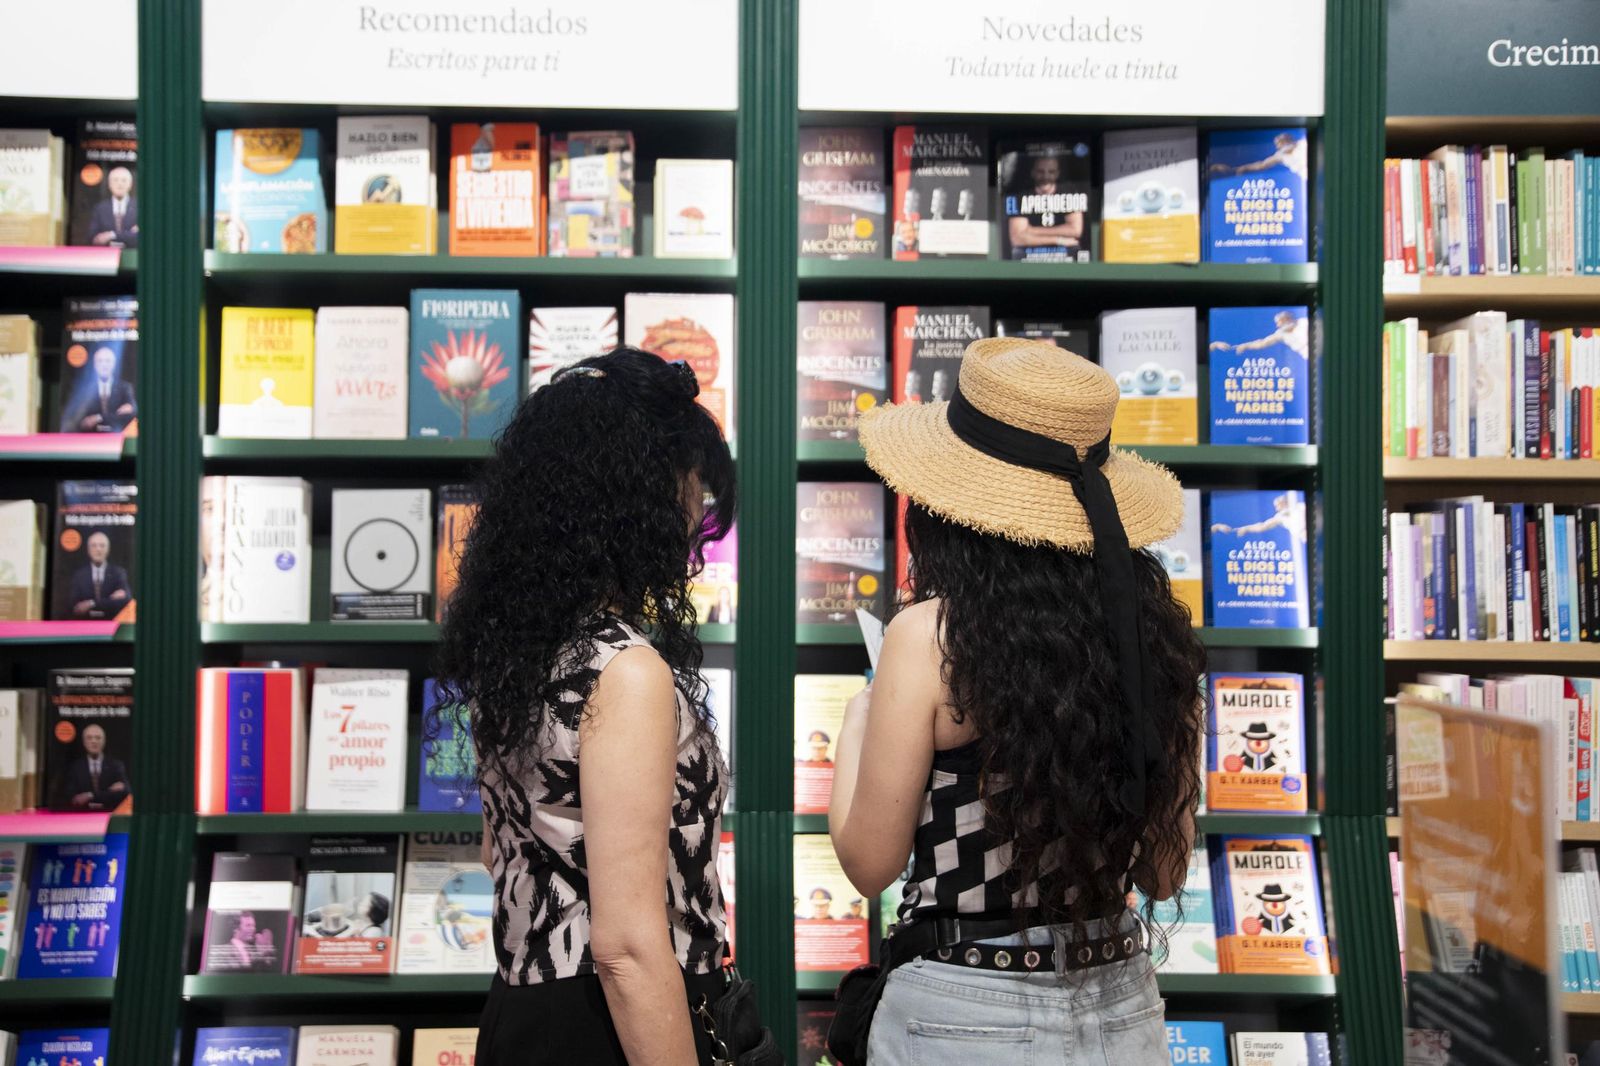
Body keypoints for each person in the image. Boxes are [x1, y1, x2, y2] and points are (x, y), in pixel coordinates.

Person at [832, 337, 1206, 1064]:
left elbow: (869, 864)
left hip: (963, 1003)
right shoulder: (1153, 640)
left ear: (945, 504)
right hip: (1120, 998)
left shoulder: (934, 636)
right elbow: (1165, 874)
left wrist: (857, 723)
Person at [435, 347, 736, 1066]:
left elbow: (496, 852)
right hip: (613, 1028)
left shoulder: (522, 655)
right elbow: (628, 949)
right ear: (639, 493)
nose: (695, 517)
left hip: (523, 1010)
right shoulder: (623, 670)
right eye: (692, 489)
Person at [1004, 152, 1085, 258]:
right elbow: (1017, 239)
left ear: (1057, 174)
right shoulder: (1021, 195)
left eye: (1051, 172)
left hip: (1064, 250)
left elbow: (1075, 230)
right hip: (1030, 252)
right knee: (1017, 252)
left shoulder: (1069, 193)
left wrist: (1031, 230)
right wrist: (1058, 240)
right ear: (1033, 173)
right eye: (1040, 171)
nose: (1046, 176)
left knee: (1076, 250)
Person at [57, 723, 130, 811]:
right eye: (89, 738)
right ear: (84, 742)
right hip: (82, 814)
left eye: (98, 738)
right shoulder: (75, 767)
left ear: (104, 741)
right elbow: (71, 797)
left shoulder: (116, 766)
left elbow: (125, 793)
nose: (94, 741)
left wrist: (90, 795)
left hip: (108, 813)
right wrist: (107, 794)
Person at [64, 346, 136, 433]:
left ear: (114, 364)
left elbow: (131, 413)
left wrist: (98, 418)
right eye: (100, 361)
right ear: (94, 364)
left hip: (116, 435)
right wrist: (114, 415)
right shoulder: (84, 390)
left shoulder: (125, 388)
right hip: (89, 437)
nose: (104, 365)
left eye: (107, 361)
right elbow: (77, 418)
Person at [66, 531, 132, 619]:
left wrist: (91, 603)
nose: (98, 549)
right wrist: (109, 601)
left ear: (108, 549)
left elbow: (125, 600)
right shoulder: (79, 575)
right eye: (94, 545)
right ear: (88, 550)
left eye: (102, 545)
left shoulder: (118, 573)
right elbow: (74, 606)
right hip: (85, 623)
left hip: (111, 622)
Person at [87, 166, 139, 248]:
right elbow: (93, 237)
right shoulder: (100, 208)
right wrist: (129, 234)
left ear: (130, 184)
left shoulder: (140, 207)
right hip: (106, 254)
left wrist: (111, 235)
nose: (120, 184)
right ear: (109, 184)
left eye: (124, 180)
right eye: (115, 180)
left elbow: (140, 237)